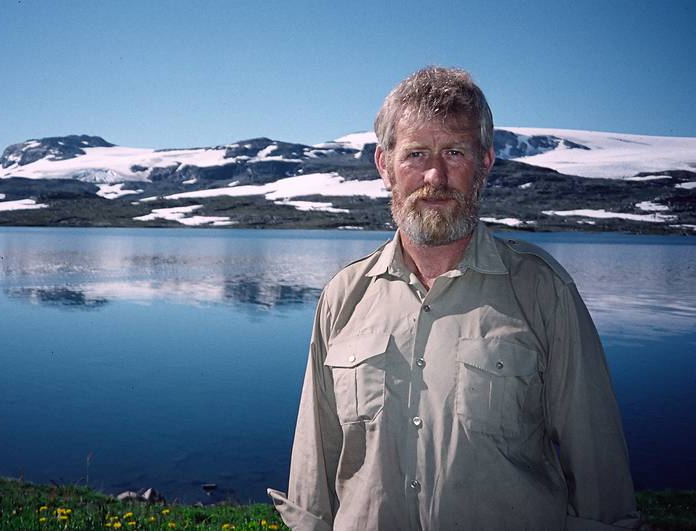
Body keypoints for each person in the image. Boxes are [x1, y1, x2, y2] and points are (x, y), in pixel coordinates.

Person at [267, 66, 640, 530]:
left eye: (455, 152)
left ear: (485, 162)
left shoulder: (543, 291)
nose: (434, 175)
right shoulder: (344, 296)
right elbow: (314, 459)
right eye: (416, 153)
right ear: (385, 166)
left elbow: (597, 466)